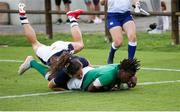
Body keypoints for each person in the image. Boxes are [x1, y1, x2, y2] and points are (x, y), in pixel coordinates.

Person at [19, 54, 140, 92]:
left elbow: (93, 69)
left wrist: (131, 79)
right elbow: (91, 89)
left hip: (80, 66)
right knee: (51, 76)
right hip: (55, 57)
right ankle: (32, 63)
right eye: (129, 76)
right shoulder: (66, 73)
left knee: (56, 67)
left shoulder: (84, 62)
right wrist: (111, 87)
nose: (130, 78)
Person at [18, 3, 84, 67]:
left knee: (34, 43)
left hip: (51, 53)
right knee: (34, 43)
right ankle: (23, 17)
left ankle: (23, 17)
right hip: (51, 53)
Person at [18, 51, 92, 91]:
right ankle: (31, 62)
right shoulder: (63, 75)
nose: (81, 76)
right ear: (70, 75)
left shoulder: (82, 61)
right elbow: (50, 85)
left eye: (81, 73)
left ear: (81, 66)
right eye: (78, 75)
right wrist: (65, 89)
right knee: (50, 77)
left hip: (61, 52)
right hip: (51, 56)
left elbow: (90, 66)